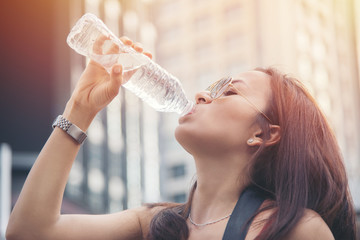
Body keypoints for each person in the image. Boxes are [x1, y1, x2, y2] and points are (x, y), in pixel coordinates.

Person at [6, 36, 357, 240]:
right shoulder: (155, 222)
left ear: (262, 134)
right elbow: (29, 231)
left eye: (229, 91)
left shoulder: (295, 229)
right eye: (211, 87)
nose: (203, 95)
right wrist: (79, 108)